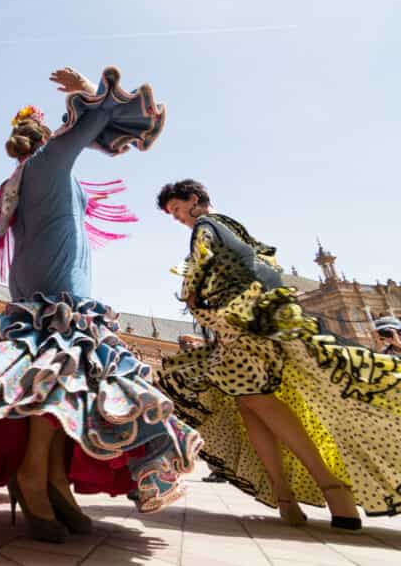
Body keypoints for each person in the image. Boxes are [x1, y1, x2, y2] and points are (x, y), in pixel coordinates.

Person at [0, 67, 200, 543]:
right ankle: (35, 475)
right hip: (57, 285)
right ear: (44, 137)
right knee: (57, 376)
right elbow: (94, 122)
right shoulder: (50, 161)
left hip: (50, 280)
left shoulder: (25, 175)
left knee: (59, 380)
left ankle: (52, 479)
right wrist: (86, 93)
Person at [156, 179, 401, 529]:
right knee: (249, 408)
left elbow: (197, 270)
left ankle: (332, 488)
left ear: (194, 200)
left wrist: (190, 293)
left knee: (257, 402)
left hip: (239, 334)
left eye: (178, 210)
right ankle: (285, 497)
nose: (178, 218)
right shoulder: (234, 226)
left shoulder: (205, 228)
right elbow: (266, 264)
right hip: (256, 329)